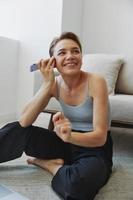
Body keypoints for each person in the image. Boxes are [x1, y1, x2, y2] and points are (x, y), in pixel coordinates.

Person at [0, 32, 113, 200]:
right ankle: (63, 162)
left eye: (75, 51)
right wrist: (47, 84)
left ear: (81, 56)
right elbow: (24, 121)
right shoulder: (55, 83)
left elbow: (100, 137)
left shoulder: (96, 81)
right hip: (64, 141)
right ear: (53, 61)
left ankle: (51, 166)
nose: (70, 56)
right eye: (62, 53)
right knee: (16, 130)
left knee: (78, 185)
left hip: (94, 148)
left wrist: (70, 137)